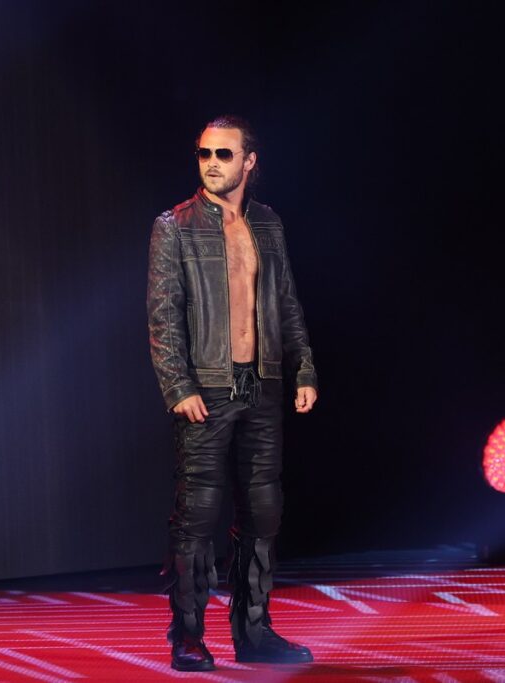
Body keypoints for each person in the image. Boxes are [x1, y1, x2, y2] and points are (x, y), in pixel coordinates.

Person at [146, 115, 318, 671]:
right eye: (203, 154)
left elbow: (286, 301)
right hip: (207, 387)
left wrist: (305, 369)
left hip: (261, 383)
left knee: (264, 512)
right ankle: (188, 636)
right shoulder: (175, 225)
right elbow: (163, 313)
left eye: (224, 153)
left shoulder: (268, 225)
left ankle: (254, 632)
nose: (212, 163)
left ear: (250, 162)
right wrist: (178, 385)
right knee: (196, 516)